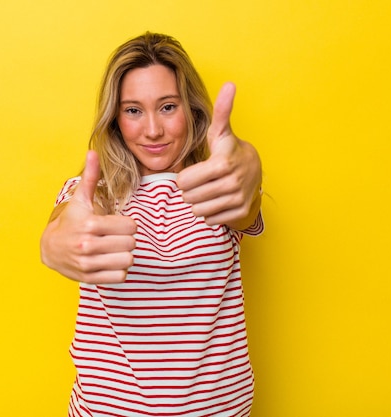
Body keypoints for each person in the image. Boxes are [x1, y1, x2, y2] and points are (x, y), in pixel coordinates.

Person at [40, 32, 263, 417]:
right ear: (115, 119)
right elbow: (65, 225)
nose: (153, 131)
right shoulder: (93, 193)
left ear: (191, 110)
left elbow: (246, 204)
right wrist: (55, 243)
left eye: (167, 107)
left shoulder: (219, 185)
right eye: (133, 111)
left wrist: (251, 168)